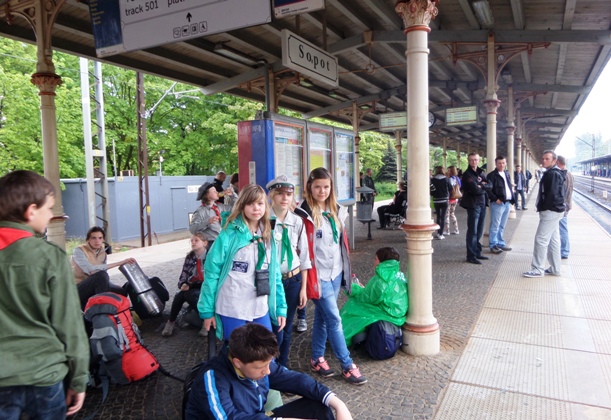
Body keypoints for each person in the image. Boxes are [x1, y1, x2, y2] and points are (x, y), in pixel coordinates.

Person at [0, 170, 89, 418]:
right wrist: (79, 378)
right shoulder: (49, 256)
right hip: (43, 374)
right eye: (49, 208)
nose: (51, 215)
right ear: (31, 211)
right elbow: (69, 325)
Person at [184, 323, 353, 420]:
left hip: (258, 416)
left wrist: (338, 404)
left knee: (319, 407)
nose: (268, 371)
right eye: (260, 367)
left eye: (268, 364)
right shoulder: (213, 378)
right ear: (238, 363)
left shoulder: (258, 360)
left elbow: (297, 380)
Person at [295, 167, 367, 385]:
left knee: (323, 317)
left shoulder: (337, 210)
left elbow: (340, 246)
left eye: (326, 187)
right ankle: (347, 365)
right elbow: (302, 249)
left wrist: (346, 271)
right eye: (317, 187)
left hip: (335, 273)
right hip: (317, 276)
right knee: (334, 319)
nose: (322, 191)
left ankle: (317, 358)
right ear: (310, 187)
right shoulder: (303, 214)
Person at [198, 183, 287, 341]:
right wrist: (207, 311)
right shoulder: (228, 234)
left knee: (265, 348)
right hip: (232, 306)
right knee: (236, 350)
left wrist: (280, 307)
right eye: (250, 204)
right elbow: (212, 272)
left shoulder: (269, 234)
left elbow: (275, 274)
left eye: (260, 203)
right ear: (242, 206)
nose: (256, 208)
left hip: (260, 305)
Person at [266, 175, 311, 368]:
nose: (285, 198)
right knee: (272, 325)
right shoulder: (264, 220)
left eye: (289, 194)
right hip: (270, 281)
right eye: (280, 193)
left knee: (286, 324)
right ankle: (268, 365)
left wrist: (304, 288)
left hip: (292, 280)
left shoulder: (298, 221)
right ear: (271, 195)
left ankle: (281, 366)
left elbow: (304, 256)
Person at [340, 247, 408, 347]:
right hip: (398, 314)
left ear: (382, 262)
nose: (373, 261)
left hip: (387, 313)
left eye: (376, 258)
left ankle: (340, 335)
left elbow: (365, 298)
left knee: (353, 306)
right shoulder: (399, 275)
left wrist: (351, 287)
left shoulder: (381, 280)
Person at [523, 150, 566, 278]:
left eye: (547, 159)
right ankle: (555, 268)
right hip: (556, 210)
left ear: (554, 161)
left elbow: (551, 194)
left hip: (551, 211)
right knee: (553, 240)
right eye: (543, 158)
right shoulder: (554, 172)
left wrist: (544, 208)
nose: (544, 161)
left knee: (541, 239)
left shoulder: (552, 174)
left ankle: (537, 269)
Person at [71, 225, 135, 309]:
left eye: (100, 238)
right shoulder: (79, 250)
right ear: (88, 240)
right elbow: (90, 270)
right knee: (101, 275)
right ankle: (103, 309)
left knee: (122, 292)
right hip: (76, 288)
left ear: (103, 240)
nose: (97, 241)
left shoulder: (102, 253)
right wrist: (120, 262)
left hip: (94, 283)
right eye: (94, 238)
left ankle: (131, 312)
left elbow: (103, 277)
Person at [162, 232, 208, 337]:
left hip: (207, 285)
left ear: (205, 243)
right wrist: (183, 284)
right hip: (193, 284)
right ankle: (171, 322)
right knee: (179, 296)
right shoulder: (190, 256)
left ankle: (206, 320)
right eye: (191, 241)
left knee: (190, 295)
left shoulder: (210, 256)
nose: (193, 242)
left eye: (196, 240)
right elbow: (184, 274)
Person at [460, 153, 492, 264]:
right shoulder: (467, 175)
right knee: (472, 231)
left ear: (479, 161)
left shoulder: (481, 173)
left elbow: (490, 185)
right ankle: (471, 255)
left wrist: (481, 185)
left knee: (479, 230)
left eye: (476, 160)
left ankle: (477, 252)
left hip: (482, 204)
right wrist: (482, 185)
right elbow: (475, 190)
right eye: (472, 160)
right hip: (473, 205)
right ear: (468, 161)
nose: (474, 162)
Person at [190, 181, 235, 250]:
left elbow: (236, 208)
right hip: (211, 244)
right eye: (214, 191)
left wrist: (233, 195)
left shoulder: (220, 207)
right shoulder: (200, 211)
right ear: (206, 195)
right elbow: (192, 229)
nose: (217, 192)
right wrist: (208, 221)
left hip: (223, 241)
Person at [486, 156, 515, 254]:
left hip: (507, 202)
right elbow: (488, 189)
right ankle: (493, 244)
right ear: (496, 163)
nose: (501, 165)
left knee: (502, 225)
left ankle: (500, 242)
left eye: (503, 163)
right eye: (499, 163)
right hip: (498, 203)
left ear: (506, 163)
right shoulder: (491, 175)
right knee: (495, 224)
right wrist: (495, 199)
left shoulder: (507, 173)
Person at [556, 155, 573, 260]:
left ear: (557, 162)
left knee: (562, 229)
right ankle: (564, 250)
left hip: (563, 206)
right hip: (567, 204)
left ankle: (564, 251)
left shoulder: (563, 175)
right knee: (562, 228)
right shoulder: (569, 174)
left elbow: (563, 192)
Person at [430, 166, 452, 240]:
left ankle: (438, 231)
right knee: (443, 217)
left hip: (436, 200)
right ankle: (441, 233)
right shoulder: (447, 179)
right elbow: (450, 188)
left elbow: (431, 189)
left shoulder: (433, 180)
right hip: (445, 200)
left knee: (438, 216)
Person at [444, 166, 461, 235]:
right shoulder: (457, 178)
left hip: (450, 198)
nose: (447, 172)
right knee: (452, 213)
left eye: (448, 170)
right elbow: (460, 186)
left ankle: (447, 230)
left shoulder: (450, 179)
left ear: (451, 171)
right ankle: (456, 229)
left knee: (447, 214)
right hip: (455, 198)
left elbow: (448, 188)